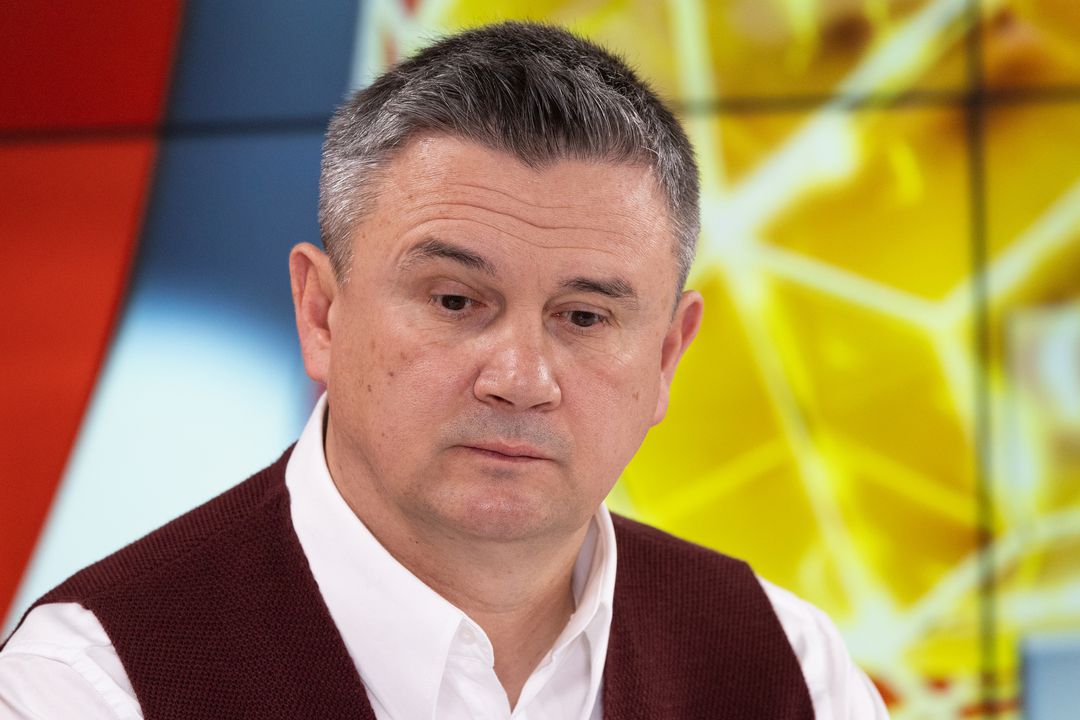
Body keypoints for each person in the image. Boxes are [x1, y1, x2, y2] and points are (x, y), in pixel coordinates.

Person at [0, 22, 888, 720]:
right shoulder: (92, 688)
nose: (521, 378)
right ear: (321, 312)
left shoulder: (793, 672)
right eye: (457, 301)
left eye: (584, 317)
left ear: (666, 356)